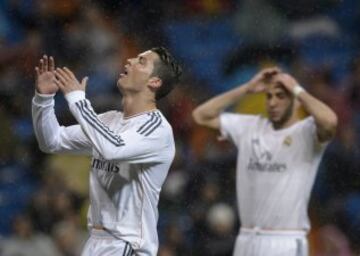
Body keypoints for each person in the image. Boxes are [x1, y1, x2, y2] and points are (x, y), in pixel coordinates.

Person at [32, 47, 182, 256]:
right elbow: (52, 141)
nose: (129, 60)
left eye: (141, 61)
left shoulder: (157, 129)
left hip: (127, 244)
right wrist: (44, 100)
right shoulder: (109, 120)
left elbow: (113, 148)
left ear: (154, 82)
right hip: (96, 241)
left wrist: (78, 100)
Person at [192, 68, 338, 256]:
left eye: (280, 96)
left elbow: (330, 122)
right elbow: (201, 115)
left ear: (295, 102)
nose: (273, 102)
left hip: (284, 241)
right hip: (246, 238)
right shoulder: (250, 126)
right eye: (269, 96)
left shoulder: (307, 132)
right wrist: (246, 89)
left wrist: (298, 89)